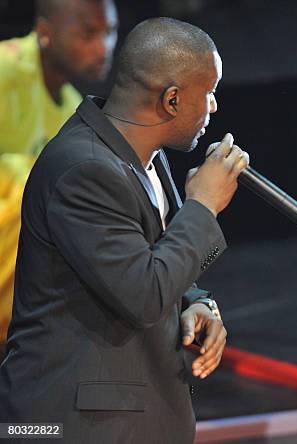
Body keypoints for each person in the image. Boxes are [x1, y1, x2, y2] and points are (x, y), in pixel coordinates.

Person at [0, 17, 248, 444]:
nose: (213, 107)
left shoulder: (141, 156)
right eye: (208, 93)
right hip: (71, 425)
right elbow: (144, 296)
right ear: (171, 100)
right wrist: (203, 205)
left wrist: (197, 301)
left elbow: (140, 258)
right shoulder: (84, 169)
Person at [0, 0, 118, 349]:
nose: (104, 47)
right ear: (45, 32)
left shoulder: (71, 108)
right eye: (89, 33)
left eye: (110, 33)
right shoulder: (5, 69)